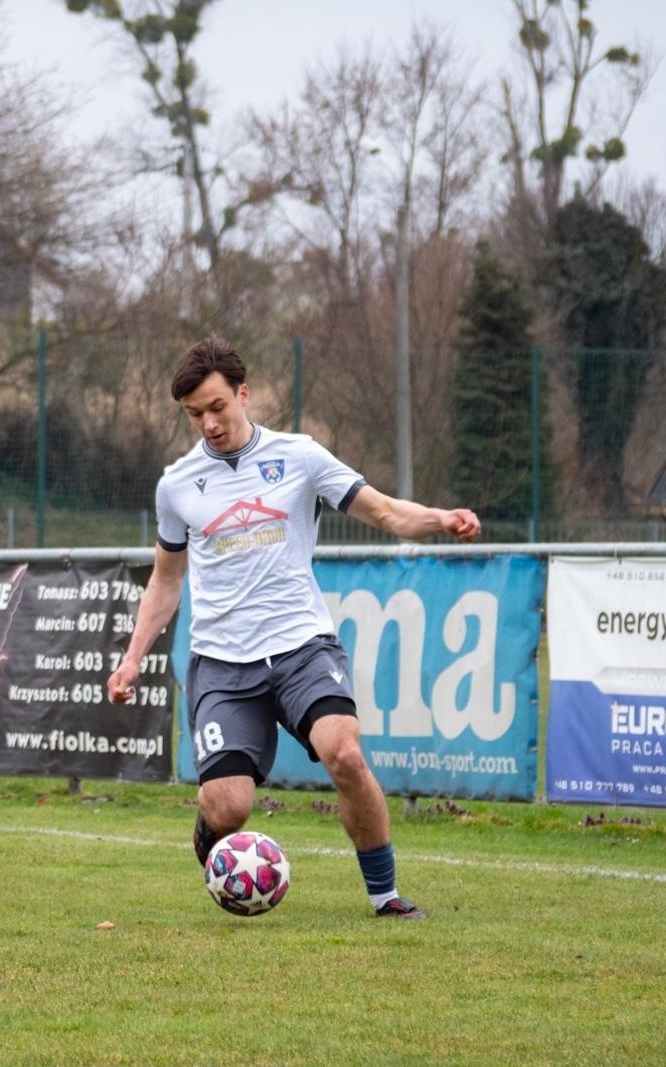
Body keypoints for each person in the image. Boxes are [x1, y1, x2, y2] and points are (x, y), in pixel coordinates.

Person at [105, 337, 481, 920]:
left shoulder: (300, 457)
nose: (207, 423)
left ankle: (385, 897)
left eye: (216, 407)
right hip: (222, 663)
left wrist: (441, 518)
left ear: (243, 394)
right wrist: (132, 658)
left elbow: (379, 510)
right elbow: (166, 580)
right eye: (194, 414)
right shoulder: (176, 486)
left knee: (346, 754)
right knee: (230, 807)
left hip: (302, 647)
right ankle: (212, 828)